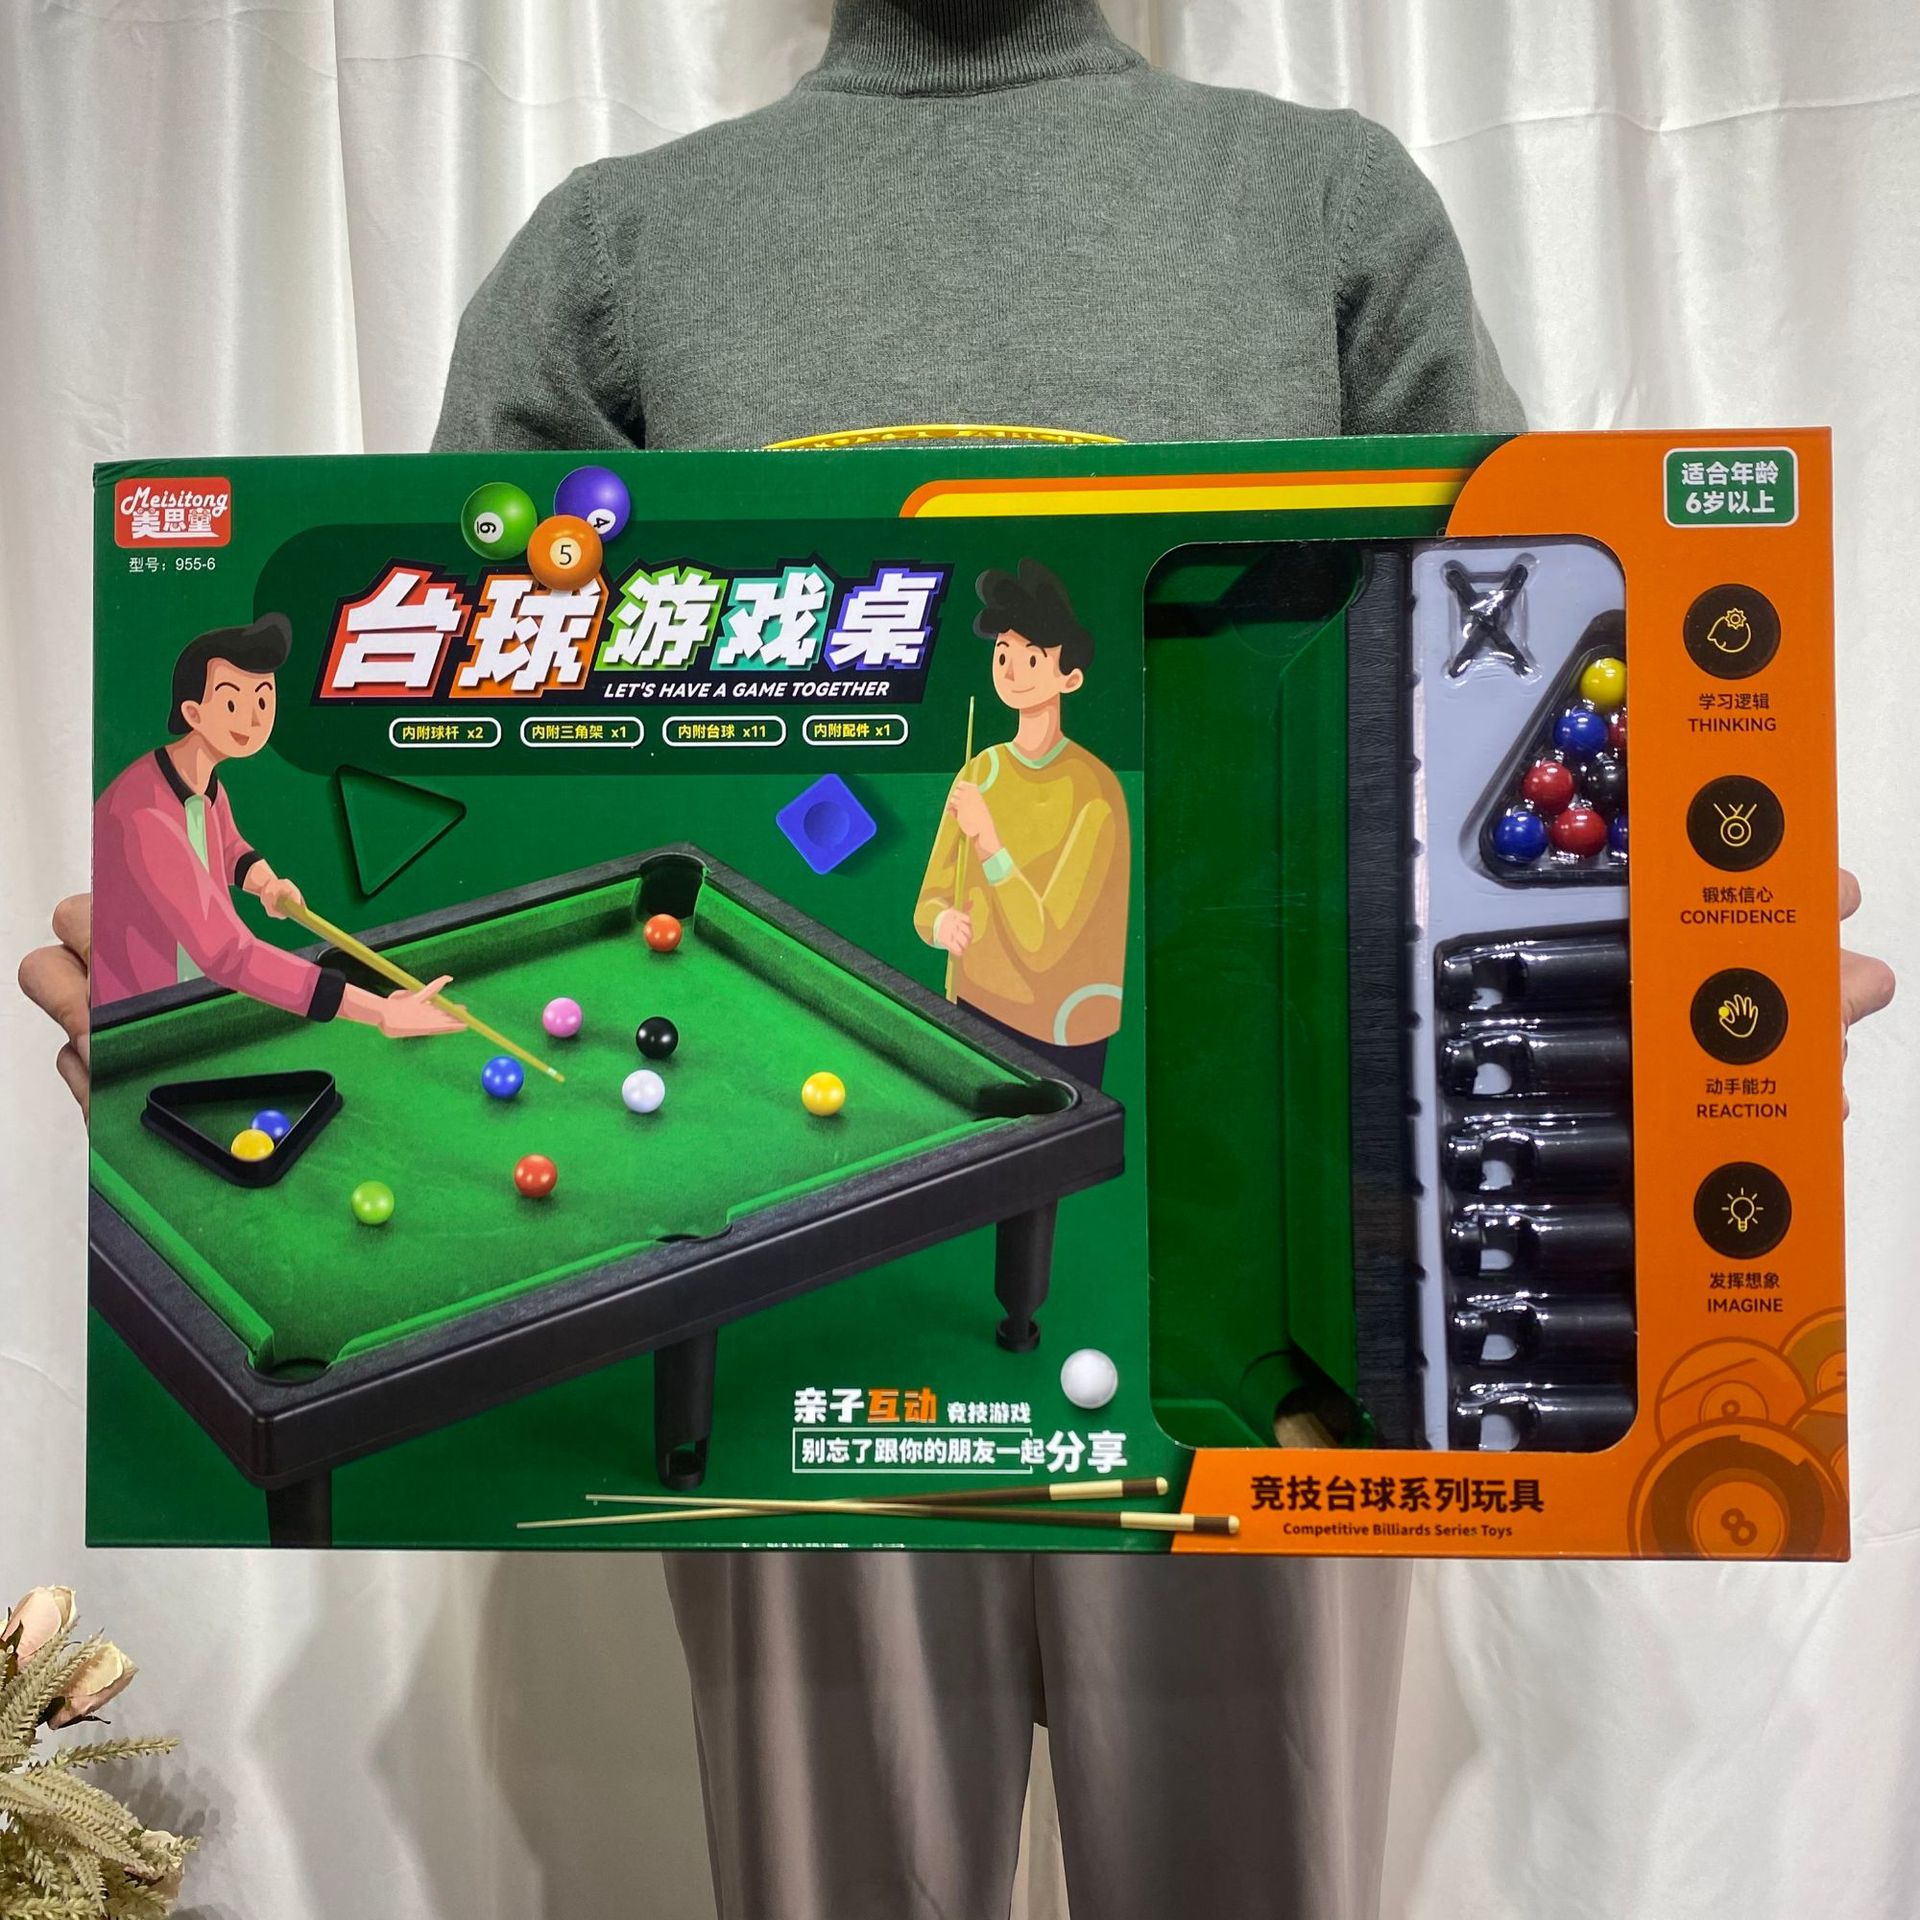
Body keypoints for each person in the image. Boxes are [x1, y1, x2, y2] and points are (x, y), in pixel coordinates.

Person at [17, 4, 1898, 1915]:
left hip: (1264, 1285)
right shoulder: (612, 252)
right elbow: (476, 741)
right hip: (810, 1362)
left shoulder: (1327, 203)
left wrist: (1683, 982)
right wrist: (183, 1000)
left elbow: (1514, 665)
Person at [90, 611, 463, 1034]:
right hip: (137, 1019)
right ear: (193, 713)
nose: (253, 720)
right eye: (232, 704)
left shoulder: (201, 780)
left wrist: (267, 883)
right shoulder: (145, 814)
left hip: (187, 996)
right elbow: (228, 954)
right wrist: (378, 1012)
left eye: (263, 700)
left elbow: (229, 850)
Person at [916, 560, 1129, 1088]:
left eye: (1031, 658)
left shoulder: (1096, 790)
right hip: (973, 1008)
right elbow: (928, 905)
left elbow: (1043, 944)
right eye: (1002, 654)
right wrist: (942, 925)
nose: (1011, 672)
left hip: (1061, 1029)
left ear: (1070, 678)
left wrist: (989, 840)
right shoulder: (978, 772)